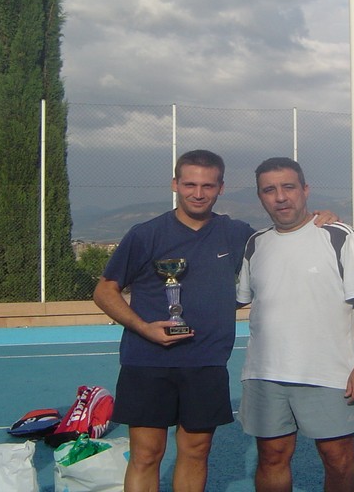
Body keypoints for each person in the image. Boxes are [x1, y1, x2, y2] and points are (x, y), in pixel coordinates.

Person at [93, 149, 337, 492]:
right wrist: (145, 328)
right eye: (189, 184)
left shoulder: (236, 234)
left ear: (220, 188)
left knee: (196, 452)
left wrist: (318, 221)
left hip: (206, 361)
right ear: (175, 184)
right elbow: (105, 290)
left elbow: (283, 242)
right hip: (147, 360)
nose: (198, 193)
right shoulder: (145, 234)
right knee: (146, 454)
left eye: (207, 186)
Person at [236, 157, 354, 492]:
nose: (280, 197)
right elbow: (240, 299)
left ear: (305, 189)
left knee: (338, 459)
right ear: (260, 196)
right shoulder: (255, 243)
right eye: (269, 190)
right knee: (271, 457)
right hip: (264, 374)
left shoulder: (339, 236)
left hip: (328, 374)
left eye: (288, 187)